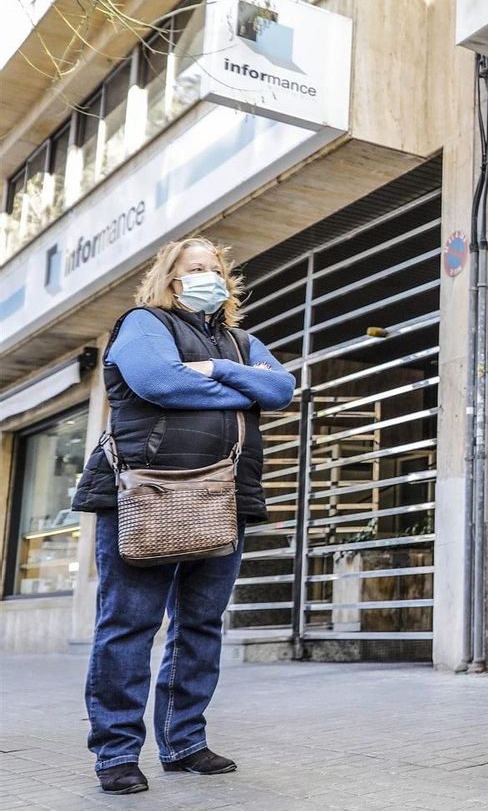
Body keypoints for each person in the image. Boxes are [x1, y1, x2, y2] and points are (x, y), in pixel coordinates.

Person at [71, 238, 294, 795]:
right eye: (194, 268)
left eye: (214, 268)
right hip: (147, 492)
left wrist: (216, 368)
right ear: (170, 276)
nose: (207, 276)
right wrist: (243, 393)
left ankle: (183, 741)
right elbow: (158, 382)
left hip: (225, 496)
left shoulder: (240, 342)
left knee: (200, 626)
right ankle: (118, 753)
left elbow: (282, 388)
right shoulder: (144, 322)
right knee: (129, 625)